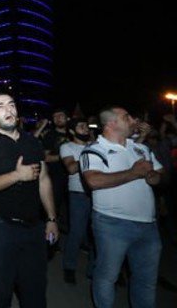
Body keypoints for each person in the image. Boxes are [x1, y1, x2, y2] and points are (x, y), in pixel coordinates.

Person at [0, 88, 59, 308]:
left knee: (35, 291)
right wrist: (17, 175)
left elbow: (43, 179)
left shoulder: (32, 142)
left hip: (32, 227)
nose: (7, 109)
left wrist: (52, 219)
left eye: (11, 104)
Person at [80, 105, 163, 308]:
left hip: (148, 225)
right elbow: (94, 181)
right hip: (112, 224)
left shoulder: (140, 148)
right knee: (107, 277)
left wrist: (154, 177)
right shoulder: (94, 150)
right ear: (111, 123)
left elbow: (159, 174)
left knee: (146, 281)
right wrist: (133, 173)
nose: (133, 120)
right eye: (127, 117)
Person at [60, 118, 93, 284]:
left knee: (97, 235)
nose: (86, 129)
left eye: (86, 126)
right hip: (78, 193)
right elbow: (72, 168)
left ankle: (94, 269)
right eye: (81, 126)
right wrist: (91, 154)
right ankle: (69, 267)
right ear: (72, 131)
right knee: (77, 232)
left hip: (99, 194)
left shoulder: (95, 146)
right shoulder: (67, 147)